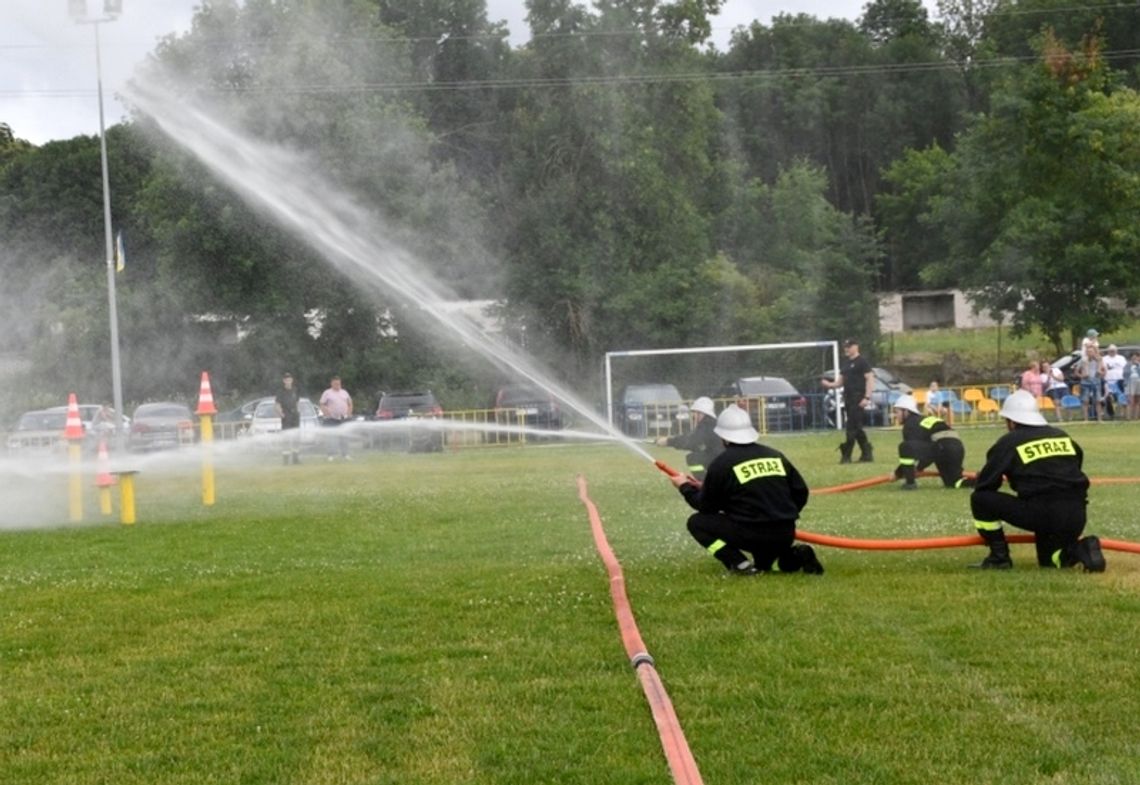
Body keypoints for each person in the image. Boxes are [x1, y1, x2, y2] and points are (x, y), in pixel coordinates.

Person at [667, 404, 823, 575]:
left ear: (723, 437)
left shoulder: (722, 463)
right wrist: (781, 515)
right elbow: (801, 492)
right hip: (785, 533)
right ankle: (797, 555)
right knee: (767, 567)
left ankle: (739, 564)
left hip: (750, 534)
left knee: (697, 523)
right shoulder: (775, 455)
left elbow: (705, 507)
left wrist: (684, 486)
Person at [968, 390, 1105, 572]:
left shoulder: (1010, 441)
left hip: (1043, 512)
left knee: (981, 499)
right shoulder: (1061, 435)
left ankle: (998, 557)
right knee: (1050, 562)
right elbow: (1076, 465)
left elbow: (986, 485)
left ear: (1012, 421)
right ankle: (1082, 549)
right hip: (1076, 513)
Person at [891, 394, 973, 491]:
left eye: (897, 412)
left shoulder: (910, 424)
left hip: (942, 447)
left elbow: (911, 452)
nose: (895, 416)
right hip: (956, 447)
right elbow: (927, 454)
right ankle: (981, 480)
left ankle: (910, 483)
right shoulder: (923, 420)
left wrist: (897, 473)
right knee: (954, 482)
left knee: (904, 447)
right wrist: (919, 468)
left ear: (906, 411)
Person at [820, 338, 874, 464]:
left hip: (858, 397)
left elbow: (870, 379)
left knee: (851, 427)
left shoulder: (862, 362)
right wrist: (829, 384)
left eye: (849, 346)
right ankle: (867, 453)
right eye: (845, 347)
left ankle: (846, 455)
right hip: (848, 398)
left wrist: (867, 397)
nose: (846, 349)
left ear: (856, 347)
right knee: (857, 427)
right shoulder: (846, 364)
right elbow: (840, 382)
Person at [655, 396, 722, 480]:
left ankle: (705, 483)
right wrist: (671, 440)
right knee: (696, 454)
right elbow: (693, 439)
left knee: (693, 458)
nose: (693, 415)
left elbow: (691, 441)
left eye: (695, 412)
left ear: (701, 412)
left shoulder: (706, 424)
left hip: (719, 458)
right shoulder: (710, 423)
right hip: (721, 456)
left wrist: (668, 441)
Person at [319, 375, 354, 460]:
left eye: (339, 384)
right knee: (331, 437)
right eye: (335, 384)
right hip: (332, 419)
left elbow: (350, 403)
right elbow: (322, 403)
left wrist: (349, 413)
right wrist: (325, 412)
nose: (337, 385)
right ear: (331, 384)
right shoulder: (327, 393)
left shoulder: (344, 392)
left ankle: (345, 454)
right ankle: (330, 455)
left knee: (344, 436)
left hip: (343, 419)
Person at [275, 372, 302, 465]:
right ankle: (285, 461)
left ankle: (295, 459)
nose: (288, 381)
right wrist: (281, 414)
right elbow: (277, 405)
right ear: (284, 381)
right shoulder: (280, 392)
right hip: (286, 416)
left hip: (295, 416)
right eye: (286, 380)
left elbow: (298, 401)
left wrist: (298, 411)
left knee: (296, 438)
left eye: (289, 379)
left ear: (292, 380)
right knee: (286, 438)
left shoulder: (295, 390)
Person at [1076, 346, 1105, 422]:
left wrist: (1101, 374)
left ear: (1095, 352)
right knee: (1085, 401)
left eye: (1091, 351)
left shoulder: (1099, 360)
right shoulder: (1083, 361)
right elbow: (1076, 371)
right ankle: (1086, 419)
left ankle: (1099, 419)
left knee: (1098, 400)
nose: (1090, 353)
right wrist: (1082, 376)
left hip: (1096, 381)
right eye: (1088, 351)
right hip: (1086, 382)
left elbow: (1104, 371)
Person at [1101, 344, 1127, 419]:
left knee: (1121, 397)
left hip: (1119, 380)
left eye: (1113, 350)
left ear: (1116, 351)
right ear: (1108, 351)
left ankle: (1123, 414)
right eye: (1110, 350)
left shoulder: (1121, 358)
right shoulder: (1104, 359)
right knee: (1107, 397)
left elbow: (1124, 368)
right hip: (1107, 380)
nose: (1112, 352)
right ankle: (1106, 414)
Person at [1128, 352, 1140, 421]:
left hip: (1139, 382)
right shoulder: (1128, 365)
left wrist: (1138, 364)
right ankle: (1130, 417)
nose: (1135, 358)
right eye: (1134, 357)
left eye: (1137, 357)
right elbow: (1125, 373)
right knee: (1131, 400)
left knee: (1138, 400)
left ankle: (1136, 416)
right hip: (1131, 382)